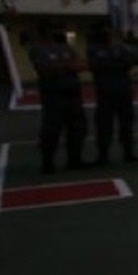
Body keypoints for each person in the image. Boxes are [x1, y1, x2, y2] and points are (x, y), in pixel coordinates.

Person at [28, 27, 88, 173]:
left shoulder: (66, 48)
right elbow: (44, 70)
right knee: (51, 131)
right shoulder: (38, 50)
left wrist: (61, 66)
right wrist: (68, 65)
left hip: (72, 95)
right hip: (53, 96)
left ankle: (75, 160)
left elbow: (83, 65)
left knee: (77, 129)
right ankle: (48, 163)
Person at [86, 24, 138, 165]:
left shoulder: (120, 48)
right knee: (105, 124)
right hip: (107, 91)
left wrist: (112, 64)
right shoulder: (94, 49)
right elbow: (95, 65)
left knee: (126, 123)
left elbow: (134, 59)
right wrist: (118, 64)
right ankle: (103, 154)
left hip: (121, 90)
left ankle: (128, 152)